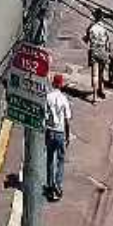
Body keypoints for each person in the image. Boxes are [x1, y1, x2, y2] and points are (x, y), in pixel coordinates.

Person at [44, 73, 72, 202]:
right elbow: (67, 120)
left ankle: (49, 185)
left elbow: (43, 114)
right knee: (60, 160)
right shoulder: (64, 99)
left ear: (53, 84)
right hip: (60, 133)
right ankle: (58, 186)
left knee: (50, 159)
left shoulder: (48, 97)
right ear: (61, 85)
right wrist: (67, 136)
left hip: (49, 131)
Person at [84, 9, 110, 101]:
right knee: (102, 73)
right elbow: (107, 40)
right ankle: (101, 91)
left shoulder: (91, 27)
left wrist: (87, 39)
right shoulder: (105, 27)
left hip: (94, 50)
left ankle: (94, 97)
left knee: (95, 75)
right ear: (102, 17)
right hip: (103, 50)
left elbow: (86, 39)